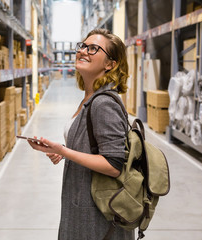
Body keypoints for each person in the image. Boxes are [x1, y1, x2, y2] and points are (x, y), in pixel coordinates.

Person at [28, 29, 134, 240]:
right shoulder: (90, 97)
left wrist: (65, 152)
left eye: (93, 48)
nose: (83, 51)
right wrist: (61, 151)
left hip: (97, 217)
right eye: (83, 46)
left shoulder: (103, 103)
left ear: (110, 64)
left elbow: (114, 165)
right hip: (83, 204)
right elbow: (92, 145)